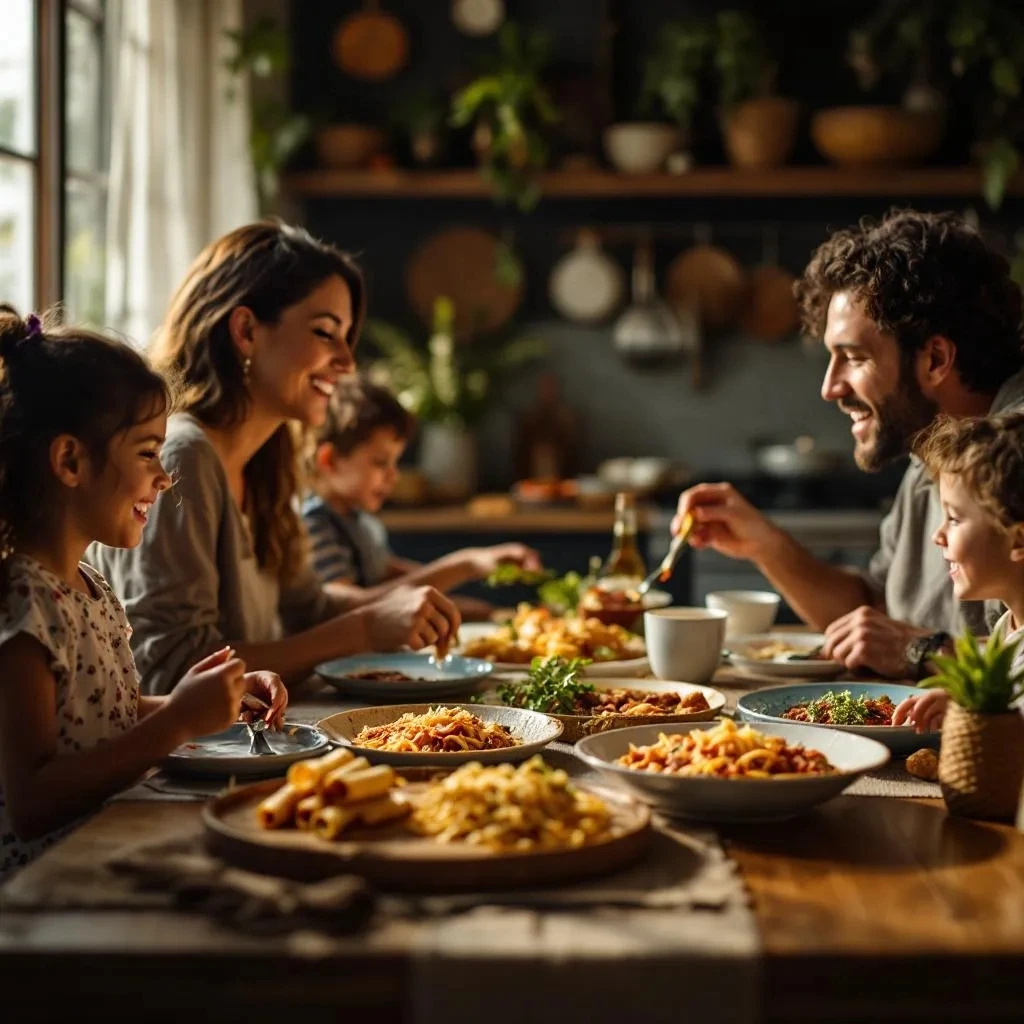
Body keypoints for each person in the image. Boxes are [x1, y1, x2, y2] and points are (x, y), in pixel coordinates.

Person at [89, 222, 460, 695]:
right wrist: (367, 628)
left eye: (347, 337)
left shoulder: (269, 462)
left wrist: (415, 603)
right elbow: (172, 668)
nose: (347, 362)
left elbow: (310, 610)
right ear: (246, 330)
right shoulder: (184, 456)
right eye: (326, 333)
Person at [0, 307, 288, 879]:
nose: (164, 476)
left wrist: (213, 705)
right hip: (46, 893)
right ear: (70, 460)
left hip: (106, 846)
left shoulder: (89, 587)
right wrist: (177, 721)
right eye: (146, 452)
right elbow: (32, 801)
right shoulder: (22, 607)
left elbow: (107, 716)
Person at [674, 209, 1024, 680]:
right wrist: (767, 546)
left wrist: (924, 651)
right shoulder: (939, 446)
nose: (829, 388)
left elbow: (915, 644)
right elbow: (874, 618)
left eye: (853, 357)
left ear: (935, 358)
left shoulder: (1011, 449)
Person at [303, 376, 540, 619]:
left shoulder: (359, 522)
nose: (393, 476)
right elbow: (345, 607)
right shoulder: (312, 525)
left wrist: (475, 609)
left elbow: (390, 578)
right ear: (329, 460)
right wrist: (465, 565)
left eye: (396, 462)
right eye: (380, 463)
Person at [893, 412, 1024, 732]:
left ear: (1017, 538)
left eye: (953, 518)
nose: (938, 535)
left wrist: (976, 715)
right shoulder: (1009, 629)